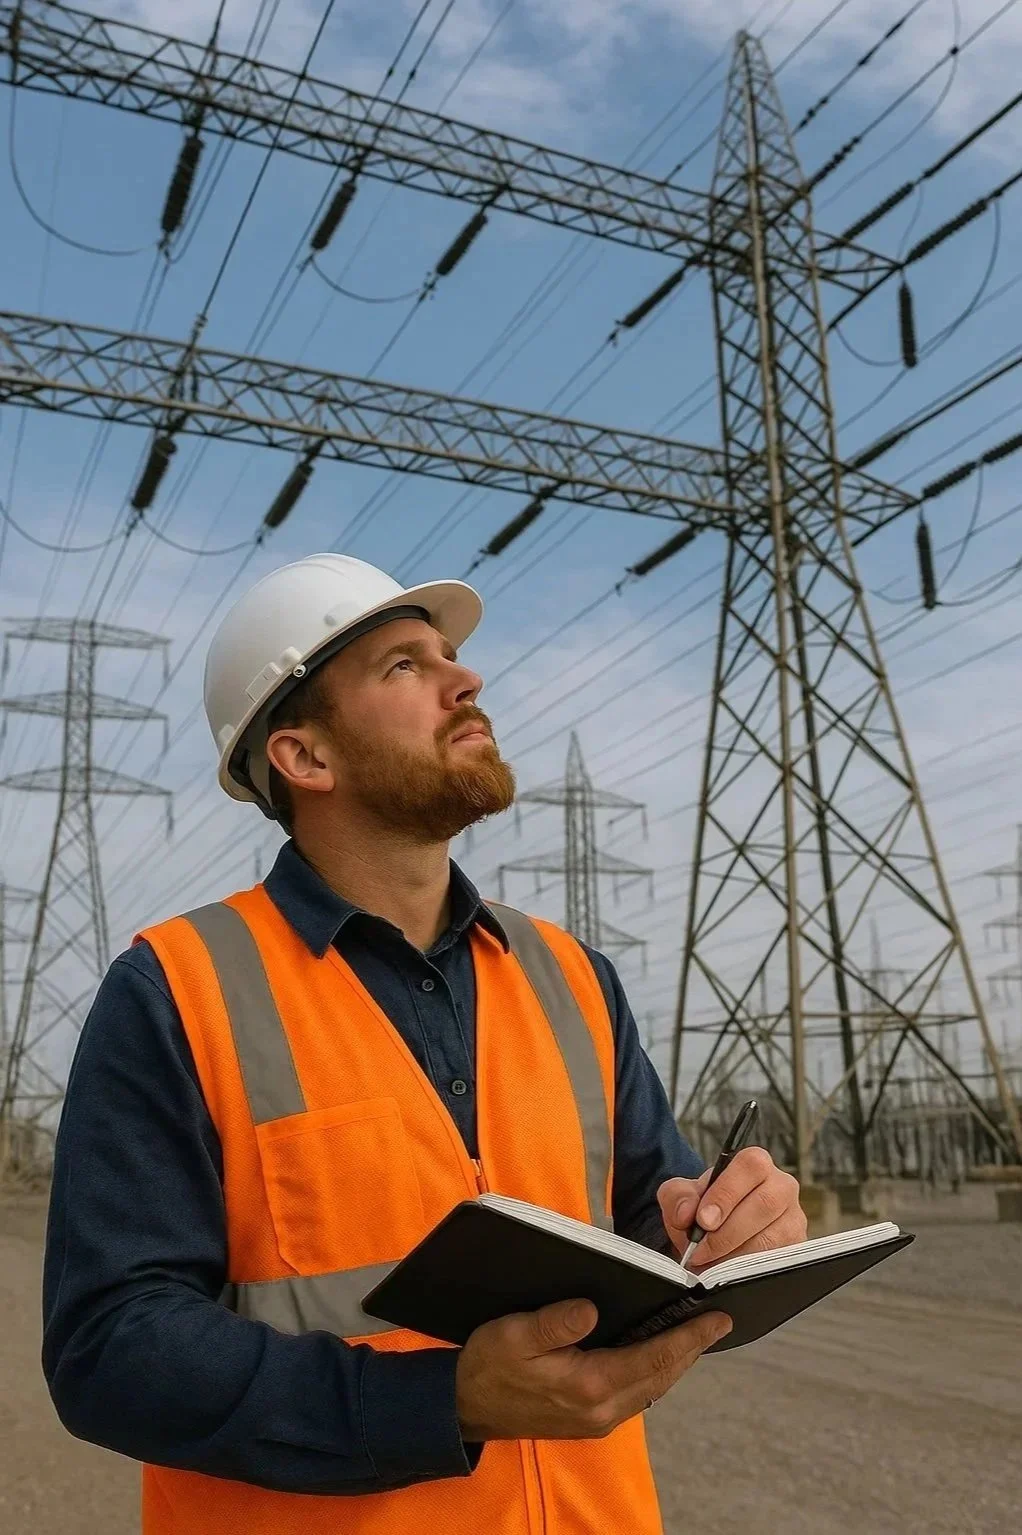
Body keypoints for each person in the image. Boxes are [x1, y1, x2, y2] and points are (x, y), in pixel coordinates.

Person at [41, 554, 807, 1533]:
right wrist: (440, 1400)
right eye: (404, 665)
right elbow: (109, 1346)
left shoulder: (571, 976)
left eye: (451, 655)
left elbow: (653, 1229)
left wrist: (725, 1230)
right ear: (304, 757)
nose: (466, 677)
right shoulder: (178, 987)